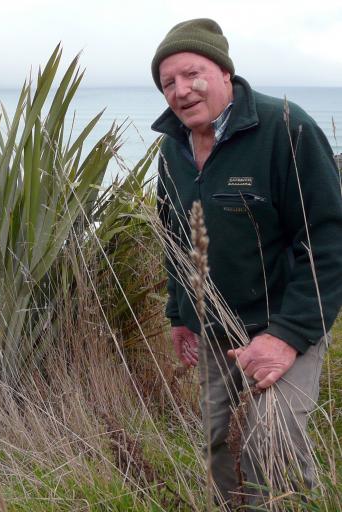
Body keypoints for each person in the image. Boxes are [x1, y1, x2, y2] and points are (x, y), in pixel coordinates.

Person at [151, 18, 342, 508]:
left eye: (190, 74)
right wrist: (181, 316)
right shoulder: (172, 149)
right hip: (215, 329)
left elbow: (328, 239)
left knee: (267, 439)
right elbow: (175, 238)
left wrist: (285, 337)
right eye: (167, 82)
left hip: (285, 323)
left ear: (222, 72)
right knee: (220, 442)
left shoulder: (286, 128)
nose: (180, 90)